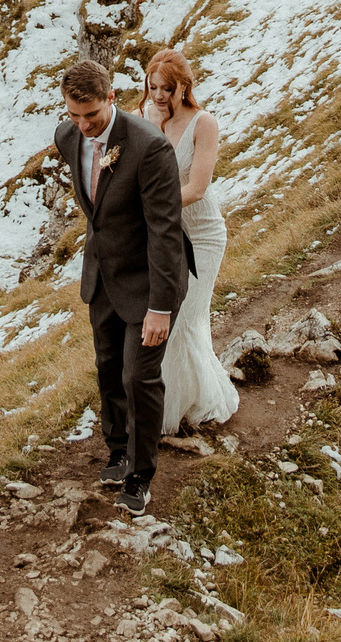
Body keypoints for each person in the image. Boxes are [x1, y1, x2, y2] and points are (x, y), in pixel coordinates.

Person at [53, 57, 188, 515]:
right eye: (74, 115)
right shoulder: (67, 136)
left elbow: (166, 232)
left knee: (139, 376)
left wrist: (161, 307)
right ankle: (117, 448)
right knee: (108, 366)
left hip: (150, 281)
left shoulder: (150, 148)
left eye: (91, 115)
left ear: (111, 98)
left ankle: (141, 475)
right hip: (103, 276)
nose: (83, 125)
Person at [141, 47, 239, 433]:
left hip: (202, 235)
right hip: (167, 236)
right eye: (153, 88)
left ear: (184, 87)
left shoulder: (203, 124)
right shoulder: (146, 118)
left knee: (184, 319)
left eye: (167, 88)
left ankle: (188, 405)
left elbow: (196, 188)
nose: (159, 96)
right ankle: (171, 399)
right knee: (164, 318)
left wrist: (148, 204)